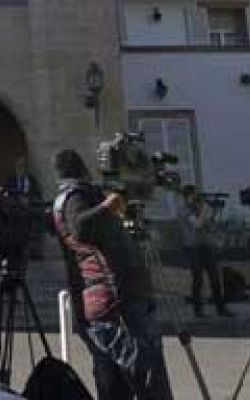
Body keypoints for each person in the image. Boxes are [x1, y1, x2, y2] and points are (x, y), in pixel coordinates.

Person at [51, 149, 173, 400]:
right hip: (114, 298)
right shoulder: (76, 196)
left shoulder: (71, 196)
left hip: (105, 296)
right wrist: (109, 205)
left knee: (114, 377)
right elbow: (81, 227)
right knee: (145, 368)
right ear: (82, 168)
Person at [179, 187, 230, 318]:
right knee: (198, 280)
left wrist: (212, 213)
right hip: (193, 247)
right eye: (193, 196)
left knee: (215, 278)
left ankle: (220, 309)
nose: (196, 199)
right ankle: (198, 311)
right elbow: (197, 224)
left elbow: (209, 226)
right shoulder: (184, 210)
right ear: (187, 197)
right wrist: (205, 211)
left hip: (206, 246)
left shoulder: (199, 208)